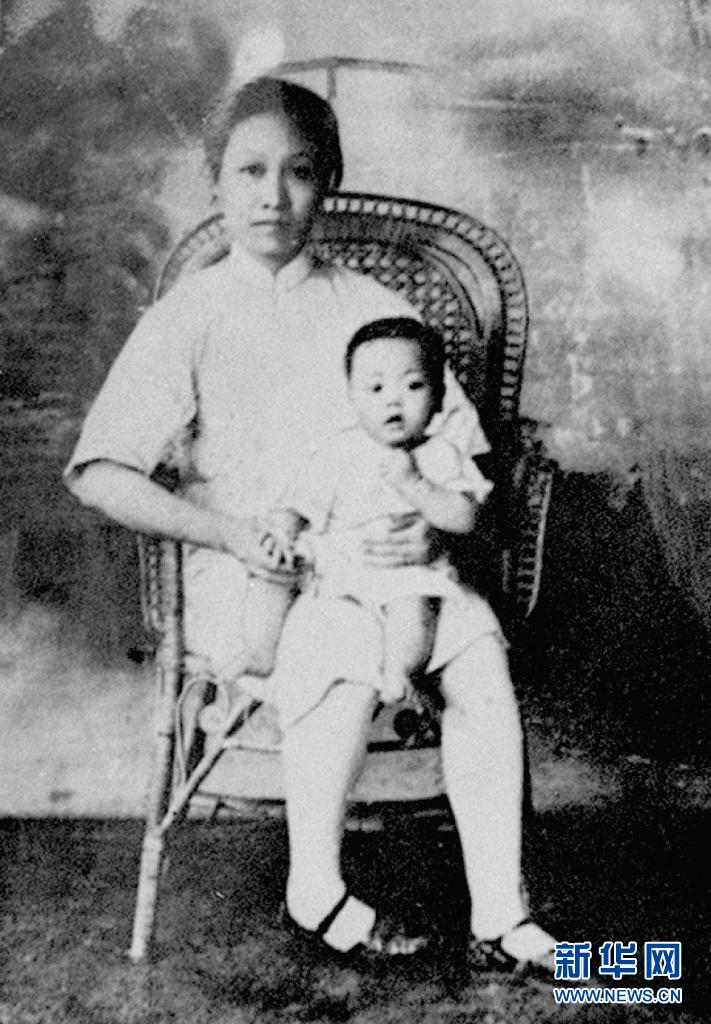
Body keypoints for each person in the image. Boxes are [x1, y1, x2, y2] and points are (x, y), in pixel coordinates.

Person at [64, 75, 559, 973]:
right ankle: (318, 885)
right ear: (217, 181)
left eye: (298, 172)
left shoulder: (375, 311)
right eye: (249, 171)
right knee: (334, 633)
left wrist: (435, 532)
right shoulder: (189, 316)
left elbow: (465, 465)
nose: (273, 195)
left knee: (476, 649)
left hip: (394, 561)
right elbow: (100, 471)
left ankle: (500, 913)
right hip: (258, 571)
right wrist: (227, 532)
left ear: (327, 180)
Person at [247, 315, 494, 708]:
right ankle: (259, 653)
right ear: (353, 398)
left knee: (414, 607)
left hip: (402, 568)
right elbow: (299, 503)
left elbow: (465, 518)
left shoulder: (441, 454)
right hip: (338, 563)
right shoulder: (339, 450)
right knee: (271, 570)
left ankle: (400, 669)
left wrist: (417, 485)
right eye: (376, 388)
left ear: (439, 396)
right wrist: (282, 530)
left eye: (413, 385)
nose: (393, 400)